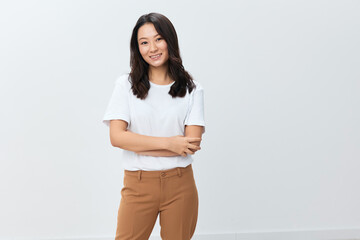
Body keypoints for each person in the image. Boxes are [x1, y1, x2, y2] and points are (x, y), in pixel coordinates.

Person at [102, 12, 205, 240]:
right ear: (137, 48)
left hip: (180, 185)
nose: (152, 48)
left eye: (158, 39)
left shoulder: (193, 89)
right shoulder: (125, 85)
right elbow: (117, 137)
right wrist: (171, 144)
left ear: (170, 40)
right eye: (144, 42)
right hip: (138, 184)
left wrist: (138, 143)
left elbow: (191, 144)